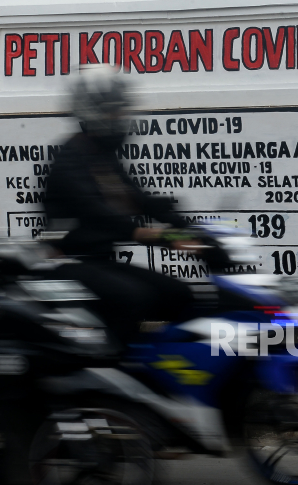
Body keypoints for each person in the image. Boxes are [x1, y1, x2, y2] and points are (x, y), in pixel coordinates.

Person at [44, 64, 196, 343]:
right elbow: (100, 214)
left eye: (122, 109)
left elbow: (139, 198)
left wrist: (190, 227)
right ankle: (115, 370)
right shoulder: (69, 161)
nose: (122, 116)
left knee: (180, 295)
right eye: (115, 110)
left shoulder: (102, 157)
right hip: (68, 264)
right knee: (133, 298)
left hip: (100, 262)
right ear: (93, 111)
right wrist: (166, 237)